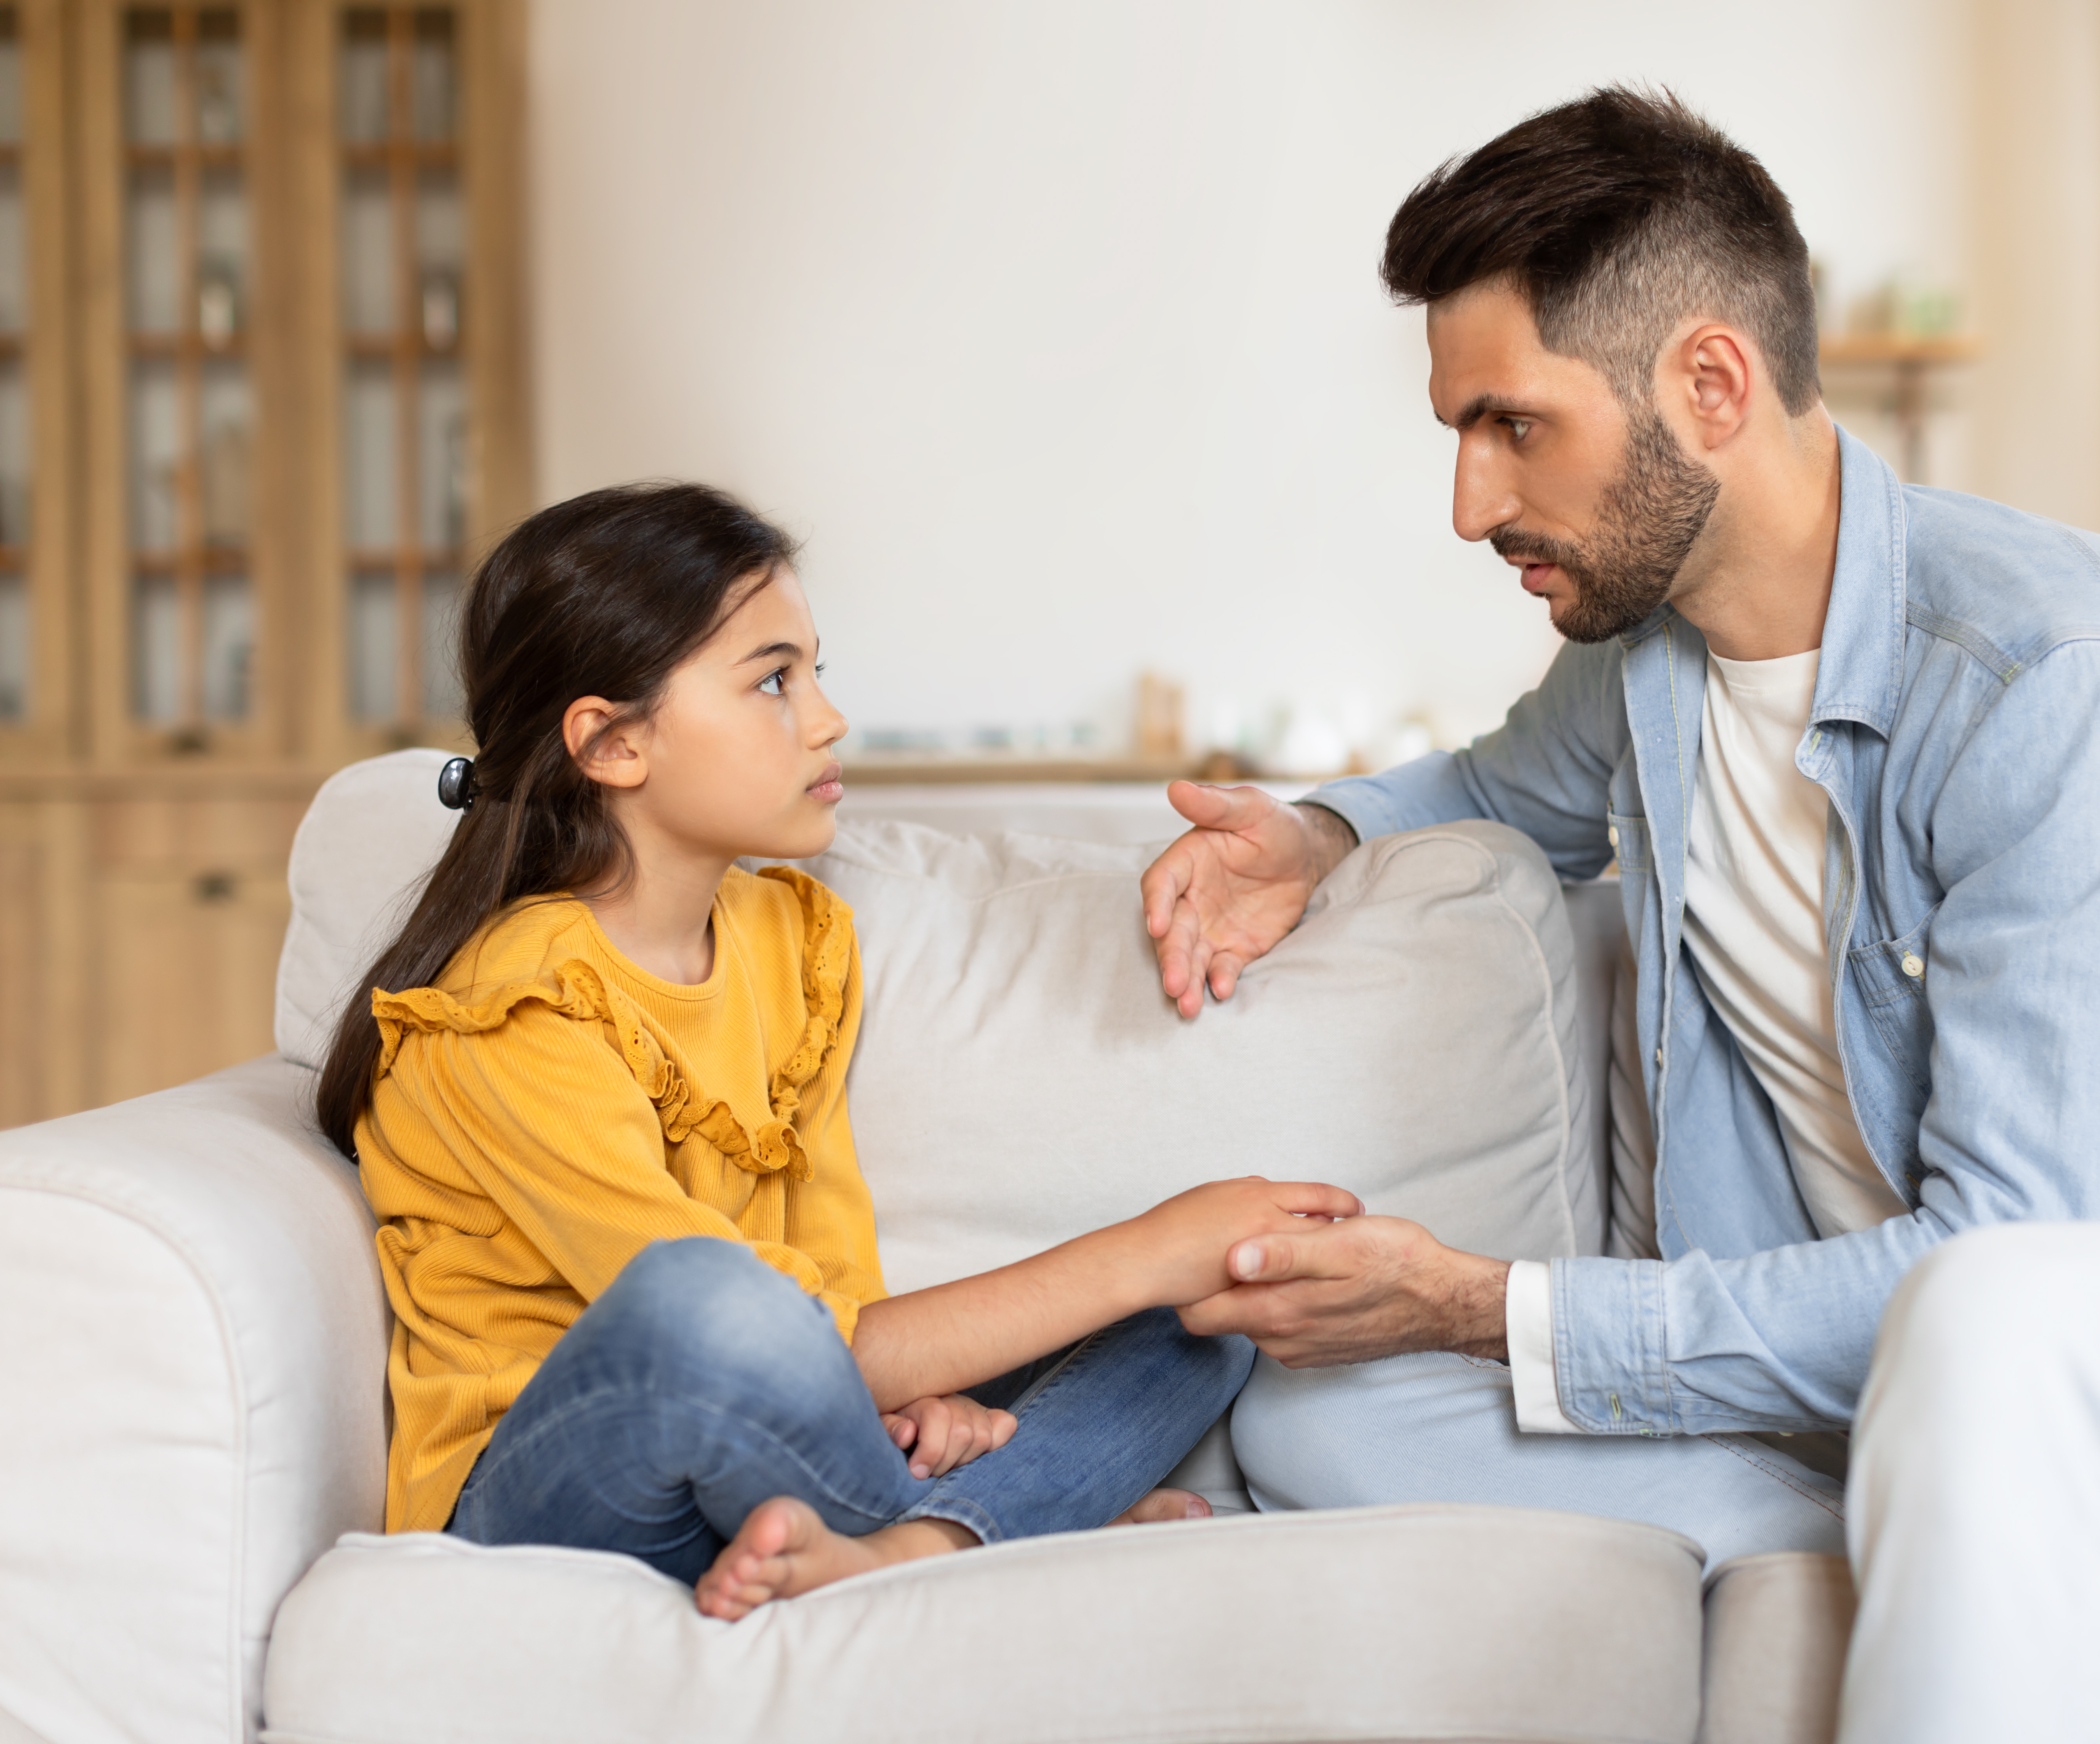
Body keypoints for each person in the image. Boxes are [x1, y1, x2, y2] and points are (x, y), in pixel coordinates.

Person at [1139, 90, 2100, 1742]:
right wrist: (1311, 835)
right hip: (1951, 1384)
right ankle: (2066, 1555)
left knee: (1998, 1314)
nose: (1469, 504)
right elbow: (1485, 789)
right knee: (1325, 1414)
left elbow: (2021, 1241)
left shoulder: (2062, 685)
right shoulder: (1646, 661)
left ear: (1710, 384)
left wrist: (1491, 1299)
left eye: (1513, 425)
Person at [314, 482, 1360, 1620]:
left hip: (778, 1443)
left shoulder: (790, 941)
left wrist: (1138, 1285)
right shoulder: (511, 1011)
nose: (826, 718)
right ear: (613, 743)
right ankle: (997, 1535)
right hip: (555, 1502)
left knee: (1200, 1319)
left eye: (816, 671)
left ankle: (912, 1549)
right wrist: (1143, 1247)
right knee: (705, 1302)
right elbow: (763, 1334)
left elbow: (832, 1285)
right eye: (773, 680)